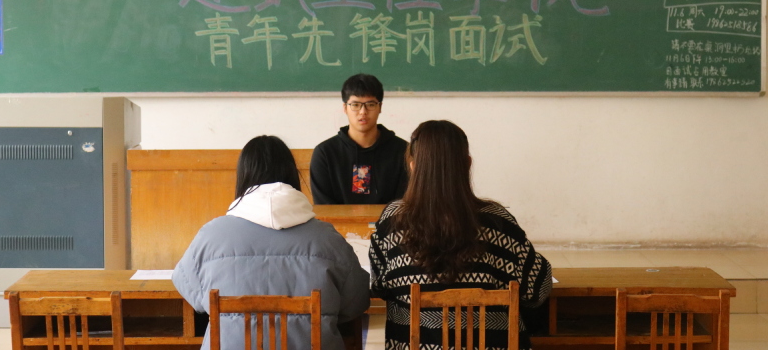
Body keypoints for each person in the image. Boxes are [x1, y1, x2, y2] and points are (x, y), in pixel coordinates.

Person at [172, 135, 370, 350]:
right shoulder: (327, 238)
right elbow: (356, 302)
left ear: (243, 176)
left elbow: (192, 292)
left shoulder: (211, 235)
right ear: (292, 175)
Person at [369, 120, 552, 350]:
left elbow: (379, 287)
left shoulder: (392, 223)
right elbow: (538, 289)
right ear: (467, 164)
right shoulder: (499, 223)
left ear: (413, 166)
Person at [310, 73, 408, 204]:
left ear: (380, 107)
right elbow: (324, 207)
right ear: (345, 108)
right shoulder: (325, 153)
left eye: (370, 104)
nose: (363, 112)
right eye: (355, 105)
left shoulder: (403, 151)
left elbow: (403, 205)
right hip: (338, 219)